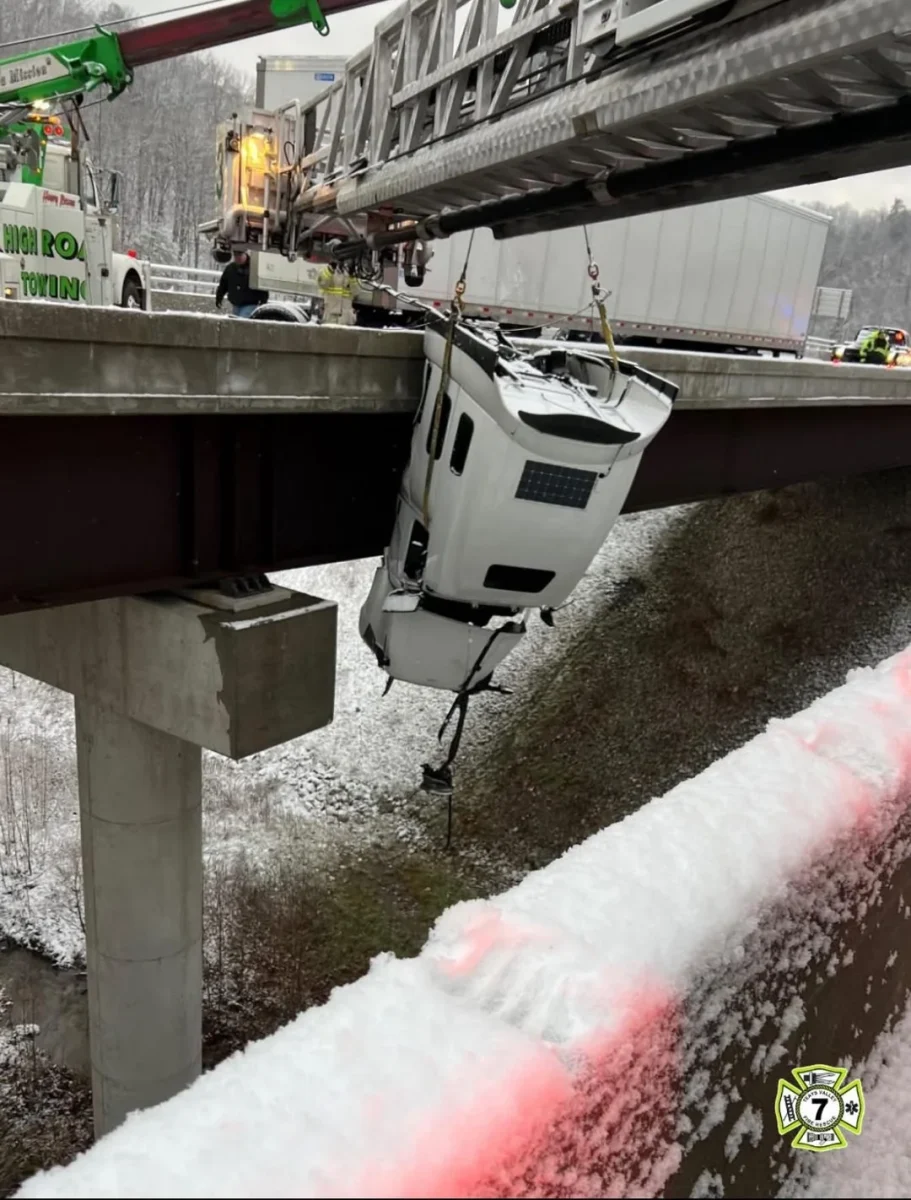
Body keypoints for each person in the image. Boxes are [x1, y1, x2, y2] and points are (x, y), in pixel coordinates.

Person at [215, 248, 268, 318]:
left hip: (251, 303)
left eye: (240, 255)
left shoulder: (255, 268)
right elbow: (223, 285)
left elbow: (263, 286)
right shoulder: (230, 268)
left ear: (245, 254)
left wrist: (263, 301)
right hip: (236, 303)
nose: (238, 258)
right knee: (236, 321)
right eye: (235, 255)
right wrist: (219, 297)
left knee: (242, 320)